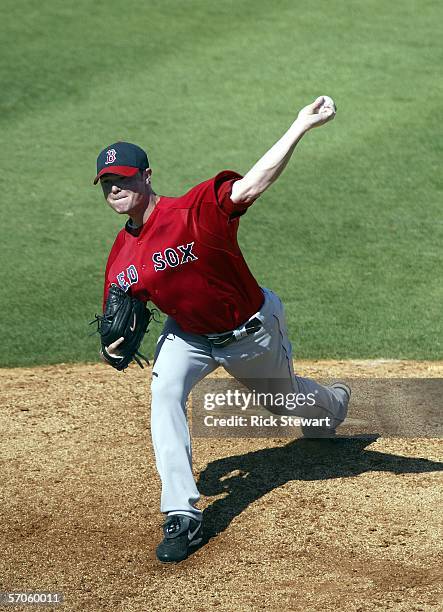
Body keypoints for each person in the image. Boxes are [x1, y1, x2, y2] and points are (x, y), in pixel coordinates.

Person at [93, 95, 351, 563]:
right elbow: (118, 310)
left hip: (251, 333)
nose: (115, 188)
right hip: (188, 337)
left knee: (285, 402)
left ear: (146, 177)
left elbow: (253, 184)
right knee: (165, 392)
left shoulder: (195, 210)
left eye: (123, 179)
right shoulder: (119, 257)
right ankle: (181, 514)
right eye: (107, 183)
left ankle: (331, 405)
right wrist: (112, 343)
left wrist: (299, 126)